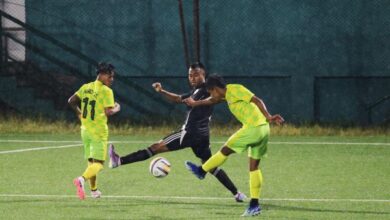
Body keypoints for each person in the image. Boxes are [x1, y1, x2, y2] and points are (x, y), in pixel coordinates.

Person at [109, 63, 246, 202]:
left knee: (155, 148)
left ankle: (118, 161)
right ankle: (237, 193)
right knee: (210, 165)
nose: (192, 78)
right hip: (202, 136)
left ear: (203, 75)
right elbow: (178, 98)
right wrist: (162, 91)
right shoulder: (196, 91)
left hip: (189, 133)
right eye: (190, 75)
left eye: (196, 74)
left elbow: (218, 98)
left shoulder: (207, 89)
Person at [183, 74, 284, 217]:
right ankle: (254, 205)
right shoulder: (226, 94)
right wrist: (195, 103)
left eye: (211, 91)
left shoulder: (235, 89)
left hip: (253, 128)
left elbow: (256, 100)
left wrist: (269, 116)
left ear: (215, 89)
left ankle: (202, 171)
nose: (211, 95)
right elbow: (212, 100)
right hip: (263, 130)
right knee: (254, 167)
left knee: (225, 149)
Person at [68, 62, 120, 200]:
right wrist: (117, 108)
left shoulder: (86, 87)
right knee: (99, 164)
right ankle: (81, 179)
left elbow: (71, 101)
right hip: (98, 131)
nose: (111, 79)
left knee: (91, 162)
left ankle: (94, 190)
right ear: (102, 75)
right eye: (110, 76)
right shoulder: (106, 91)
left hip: (85, 130)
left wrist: (79, 114)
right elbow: (108, 111)